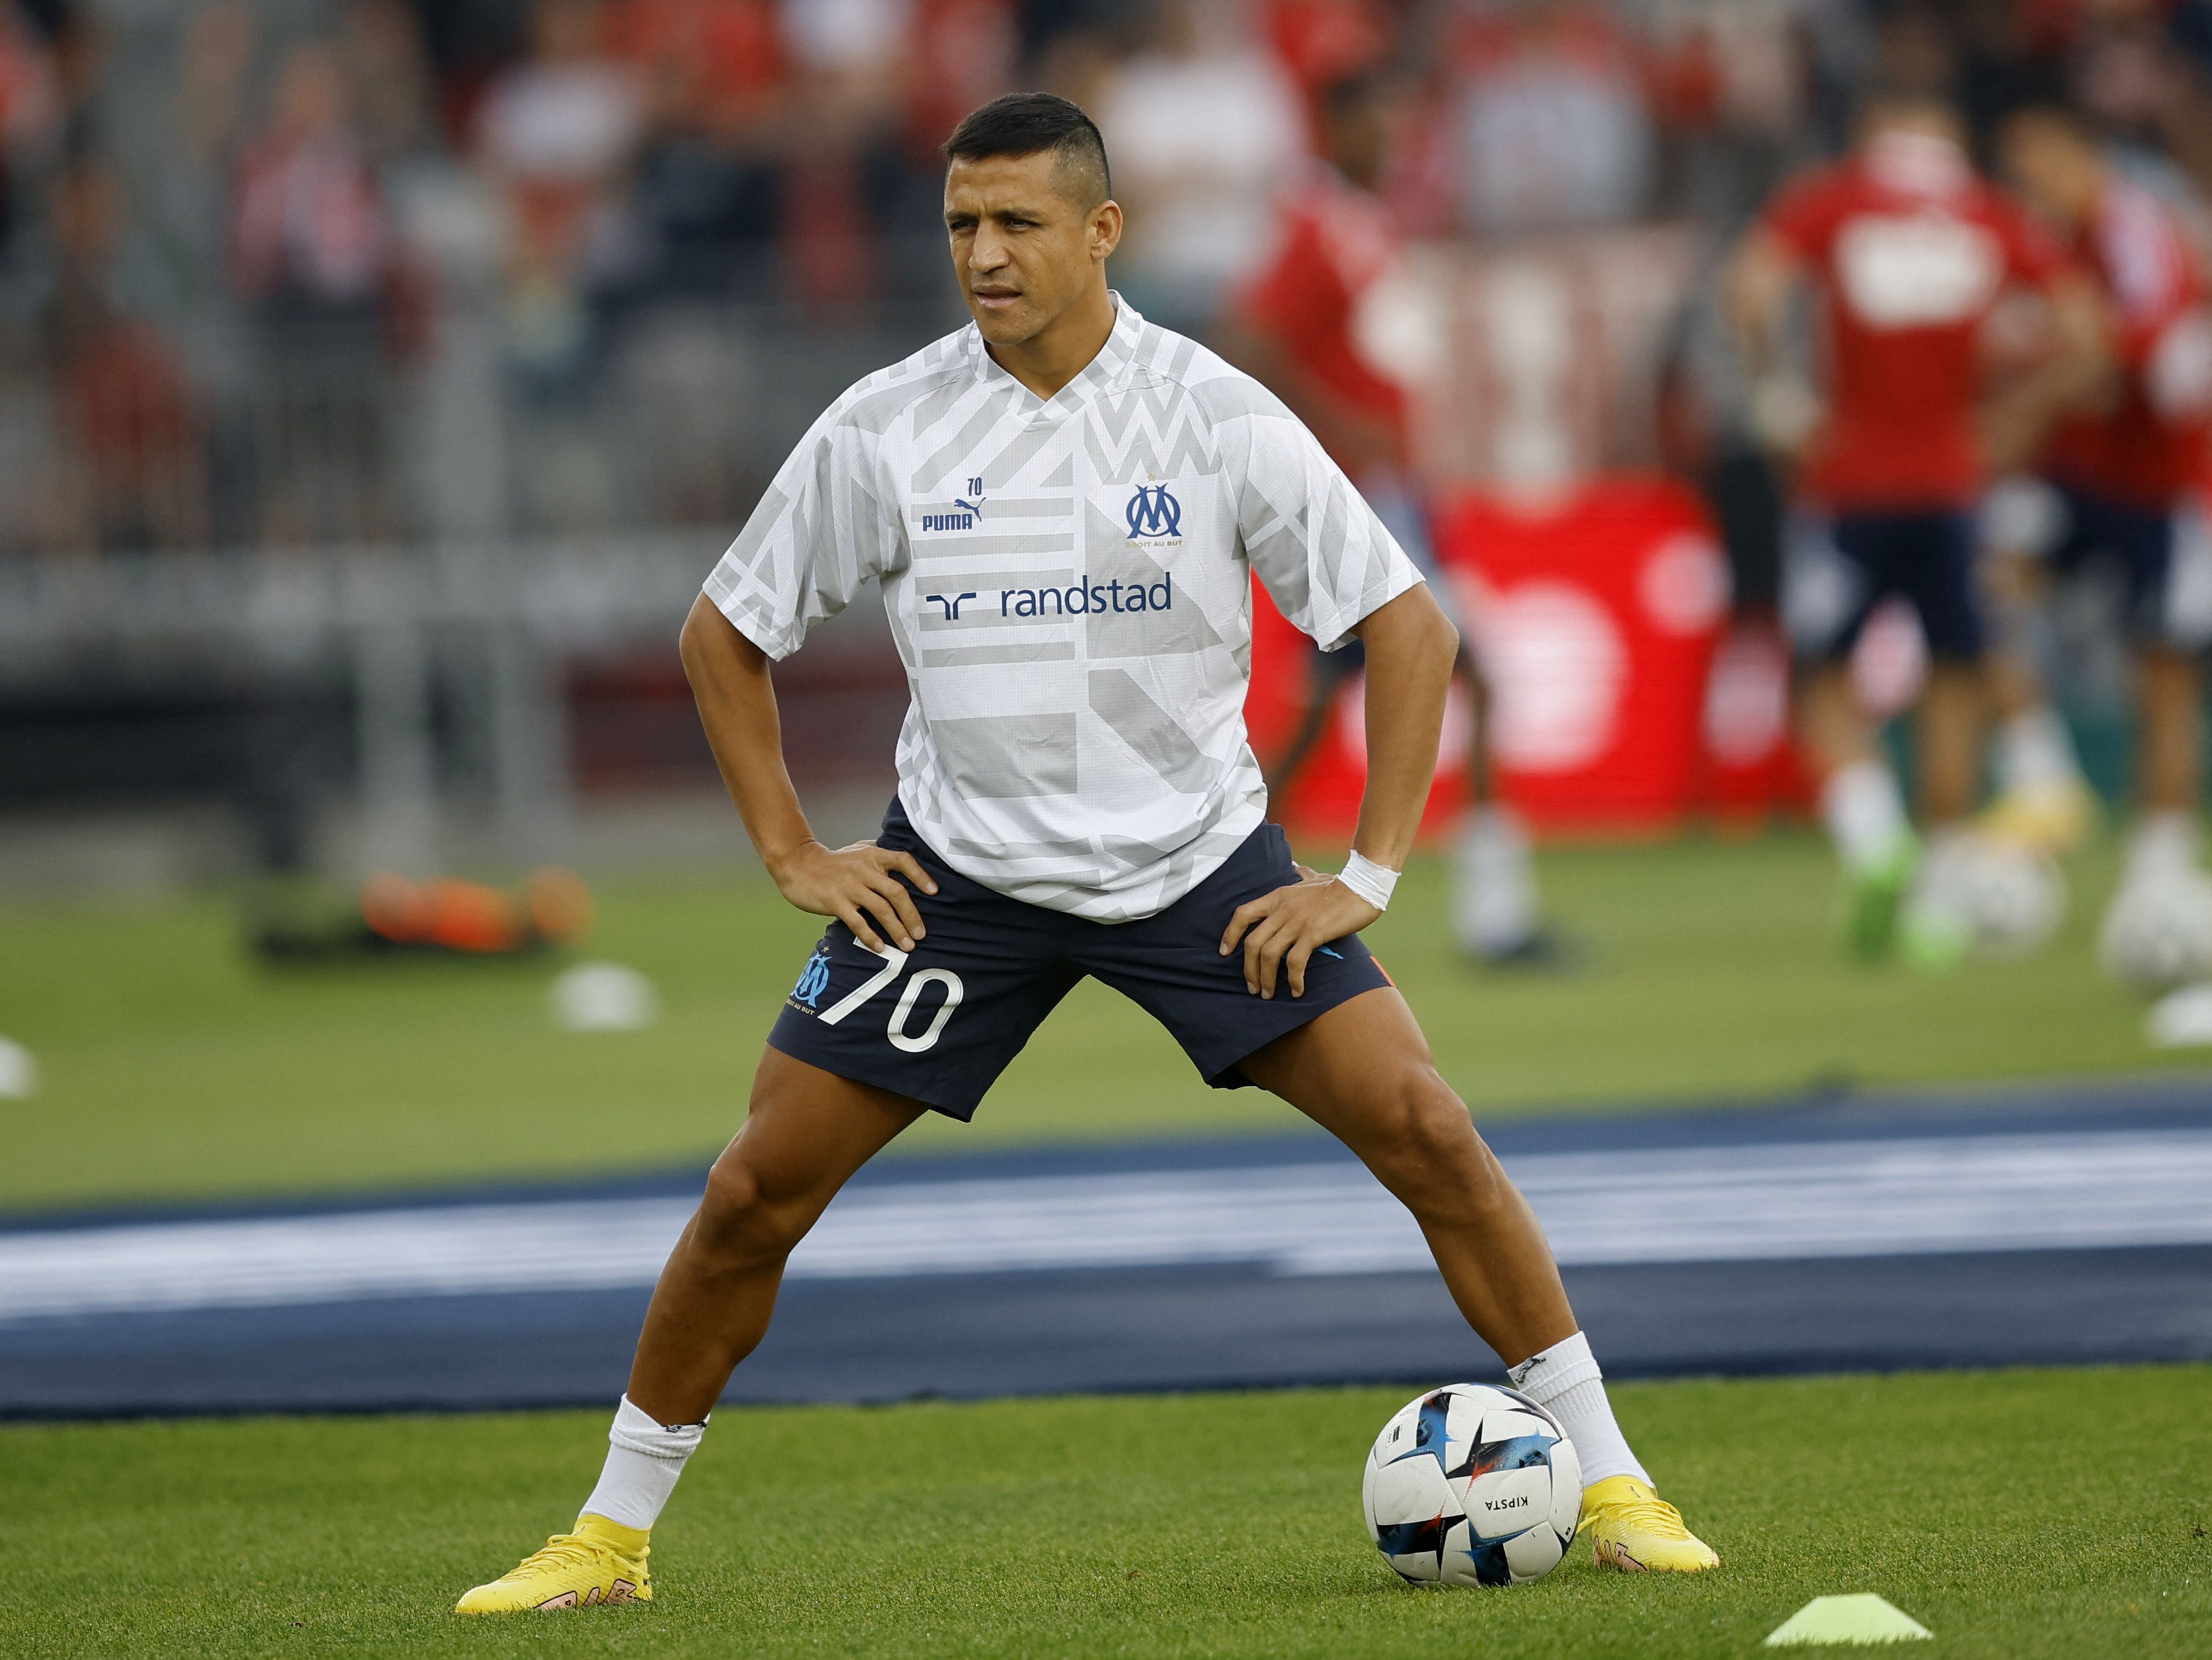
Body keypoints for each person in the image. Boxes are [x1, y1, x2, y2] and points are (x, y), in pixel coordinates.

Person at [455, 90, 1717, 1615]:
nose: (982, 255)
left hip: (1197, 871)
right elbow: (723, 633)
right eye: (960, 226)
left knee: (1428, 1130)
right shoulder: (884, 425)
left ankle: (1615, 1487)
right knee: (751, 1193)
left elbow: (1410, 629)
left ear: (1102, 229)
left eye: (1017, 222)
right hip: (959, 882)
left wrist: (1363, 879)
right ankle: (607, 1542)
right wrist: (792, 851)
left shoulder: (1214, 411)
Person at [1726, 86, 2105, 965]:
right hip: (1951, 482)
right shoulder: (1987, 212)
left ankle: (1873, 838)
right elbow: (2087, 332)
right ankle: (1938, 897)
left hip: (1849, 480)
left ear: (1877, 130)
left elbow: (1748, 290)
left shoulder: (1834, 200)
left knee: (1822, 679)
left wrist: (1776, 394)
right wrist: (2012, 419)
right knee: (1954, 683)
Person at [1223, 70, 1551, 964]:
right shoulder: (1313, 225)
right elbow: (1251, 340)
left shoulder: (1355, 220)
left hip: (1389, 490)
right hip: (1366, 495)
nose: (1393, 135)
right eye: (1376, 117)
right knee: (1469, 671)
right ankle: (1495, 915)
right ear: (1334, 125)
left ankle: (1221, 884)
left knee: (1321, 705)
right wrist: (1335, 428)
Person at [1987, 103, 2212, 938]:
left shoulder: (2130, 225)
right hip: (2085, 473)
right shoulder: (2056, 240)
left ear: (2077, 153)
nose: (2026, 184)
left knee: (2163, 673)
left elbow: (2126, 349)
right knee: (1986, 581)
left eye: (2035, 163)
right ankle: (2043, 773)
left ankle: (2160, 866)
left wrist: (2027, 398)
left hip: (2168, 485)